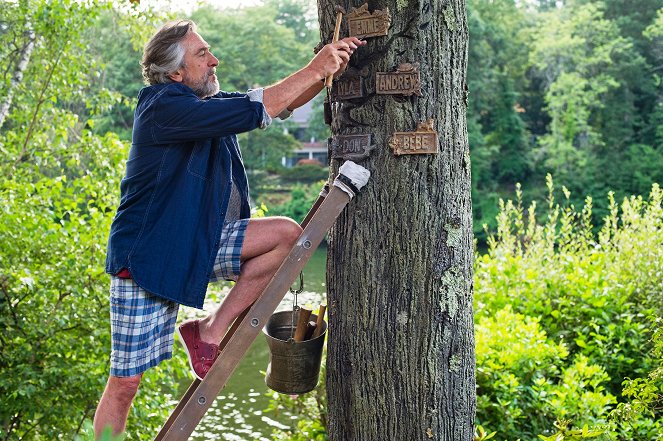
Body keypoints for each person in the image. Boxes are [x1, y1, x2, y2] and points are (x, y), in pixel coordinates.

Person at [92, 19, 364, 437]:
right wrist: (314, 69)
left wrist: (327, 68)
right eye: (203, 54)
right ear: (175, 73)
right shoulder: (163, 107)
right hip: (145, 256)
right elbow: (258, 108)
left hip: (197, 243)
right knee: (126, 382)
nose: (215, 60)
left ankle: (207, 332)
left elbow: (278, 104)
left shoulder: (205, 108)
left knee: (285, 236)